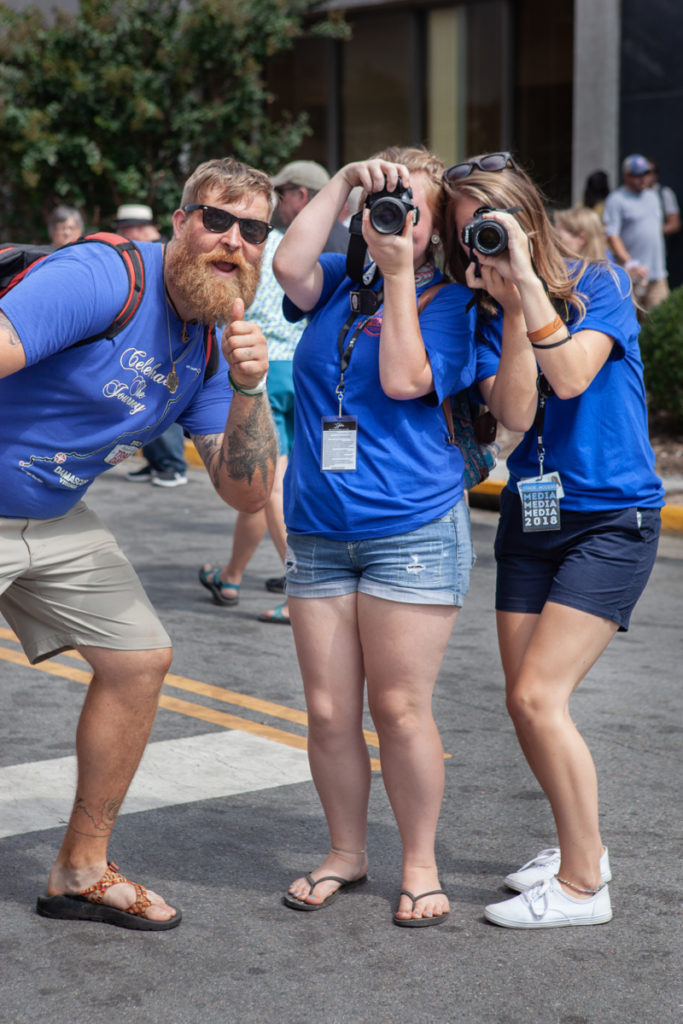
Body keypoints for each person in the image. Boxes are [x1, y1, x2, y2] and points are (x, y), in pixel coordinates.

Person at [0, 157, 278, 930]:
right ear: (180, 220)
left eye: (252, 230)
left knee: (139, 659)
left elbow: (246, 491)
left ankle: (79, 869)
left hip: (50, 515)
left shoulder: (215, 345)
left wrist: (252, 391)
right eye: (216, 219)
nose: (232, 241)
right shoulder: (103, 277)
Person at [443, 151, 664, 928]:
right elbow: (515, 411)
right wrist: (505, 308)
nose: (476, 243)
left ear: (522, 213)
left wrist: (530, 284)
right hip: (531, 518)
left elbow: (569, 376)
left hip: (610, 519)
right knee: (521, 702)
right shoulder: (476, 310)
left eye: (488, 224)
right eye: (465, 232)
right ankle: (581, 846)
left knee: (541, 697)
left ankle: (581, 887)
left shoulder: (597, 282)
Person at [272, 146, 477, 926]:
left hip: (411, 529)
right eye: (384, 205)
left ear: (435, 227)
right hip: (320, 530)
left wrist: (396, 272)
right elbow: (286, 265)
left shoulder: (455, 300)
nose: (395, 219)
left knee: (397, 709)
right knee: (328, 712)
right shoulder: (333, 284)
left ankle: (419, 865)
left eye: (412, 208)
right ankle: (345, 853)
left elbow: (402, 379)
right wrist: (348, 180)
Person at [199, 225, 305, 622]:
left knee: (270, 483)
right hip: (299, 365)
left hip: (260, 366)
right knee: (258, 485)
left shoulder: (238, 248)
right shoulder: (292, 245)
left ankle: (299, 588)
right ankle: (231, 576)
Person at [114, 204, 189, 487]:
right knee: (142, 400)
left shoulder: (166, 253)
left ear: (142, 228)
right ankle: (156, 462)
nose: (122, 234)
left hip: (169, 338)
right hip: (150, 336)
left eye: (126, 229)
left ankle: (172, 465)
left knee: (162, 400)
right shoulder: (146, 253)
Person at [603, 154, 669, 313]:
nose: (643, 179)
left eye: (646, 173)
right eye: (637, 175)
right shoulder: (616, 199)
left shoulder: (653, 196)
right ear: (626, 175)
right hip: (631, 276)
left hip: (657, 273)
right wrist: (630, 263)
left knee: (660, 324)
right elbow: (612, 236)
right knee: (630, 323)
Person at [271, 160, 349, 254]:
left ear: (301, 196)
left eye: (280, 192)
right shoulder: (349, 237)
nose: (278, 201)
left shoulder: (293, 243)